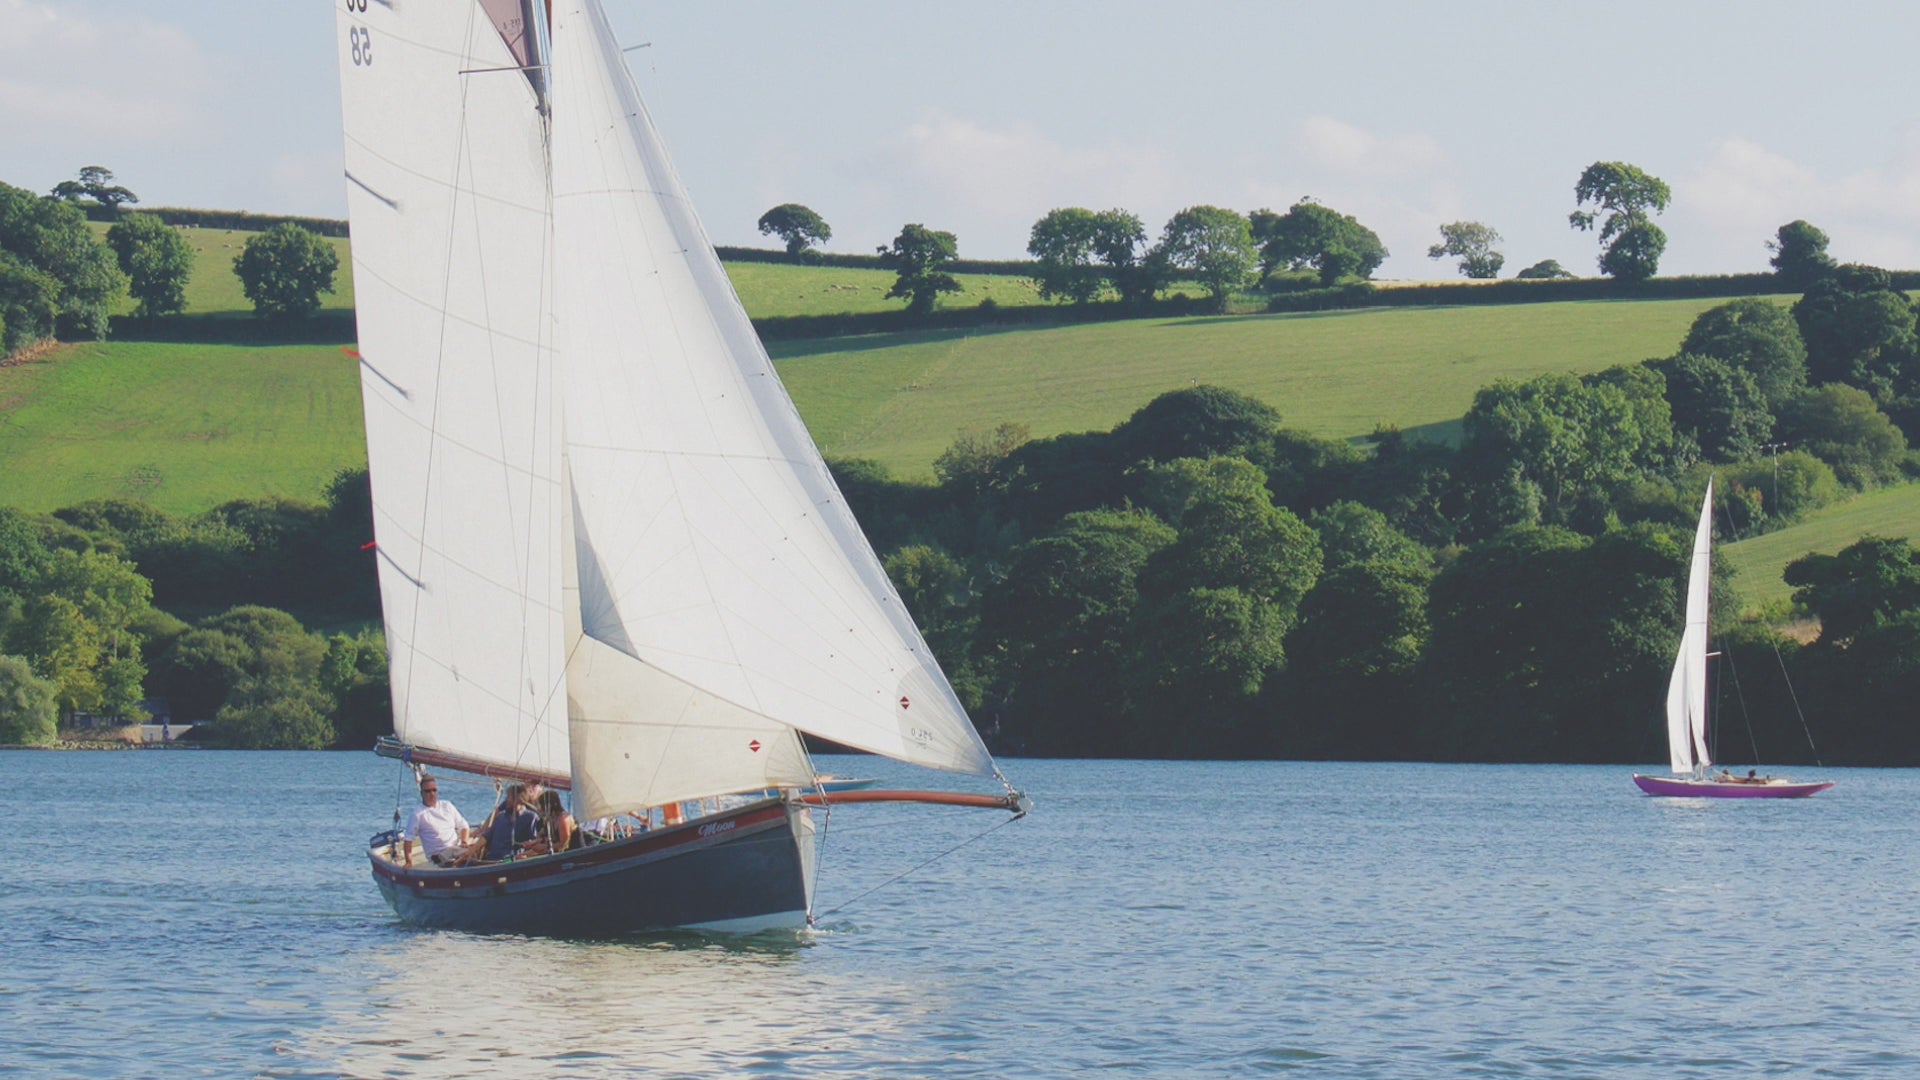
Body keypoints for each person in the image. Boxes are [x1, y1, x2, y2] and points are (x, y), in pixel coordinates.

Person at [402, 776, 472, 868]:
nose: (432, 794)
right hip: (439, 855)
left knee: (479, 850)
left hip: (456, 849)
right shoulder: (418, 814)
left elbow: (463, 826)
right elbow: (408, 839)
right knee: (468, 858)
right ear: (421, 793)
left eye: (434, 790)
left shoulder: (447, 806)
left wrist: (464, 841)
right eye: (428, 791)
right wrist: (409, 862)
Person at [479, 783, 542, 862]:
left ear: (518, 799)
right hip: (493, 858)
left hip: (511, 859)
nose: (506, 800)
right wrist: (471, 851)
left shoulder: (531, 817)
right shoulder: (502, 817)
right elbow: (486, 836)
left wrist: (526, 852)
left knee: (507, 861)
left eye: (509, 797)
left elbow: (535, 841)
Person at [523, 789, 577, 856]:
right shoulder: (550, 820)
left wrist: (544, 847)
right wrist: (533, 843)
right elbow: (544, 838)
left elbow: (564, 844)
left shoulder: (563, 819)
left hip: (574, 851)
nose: (540, 809)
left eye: (541, 806)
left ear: (549, 805)